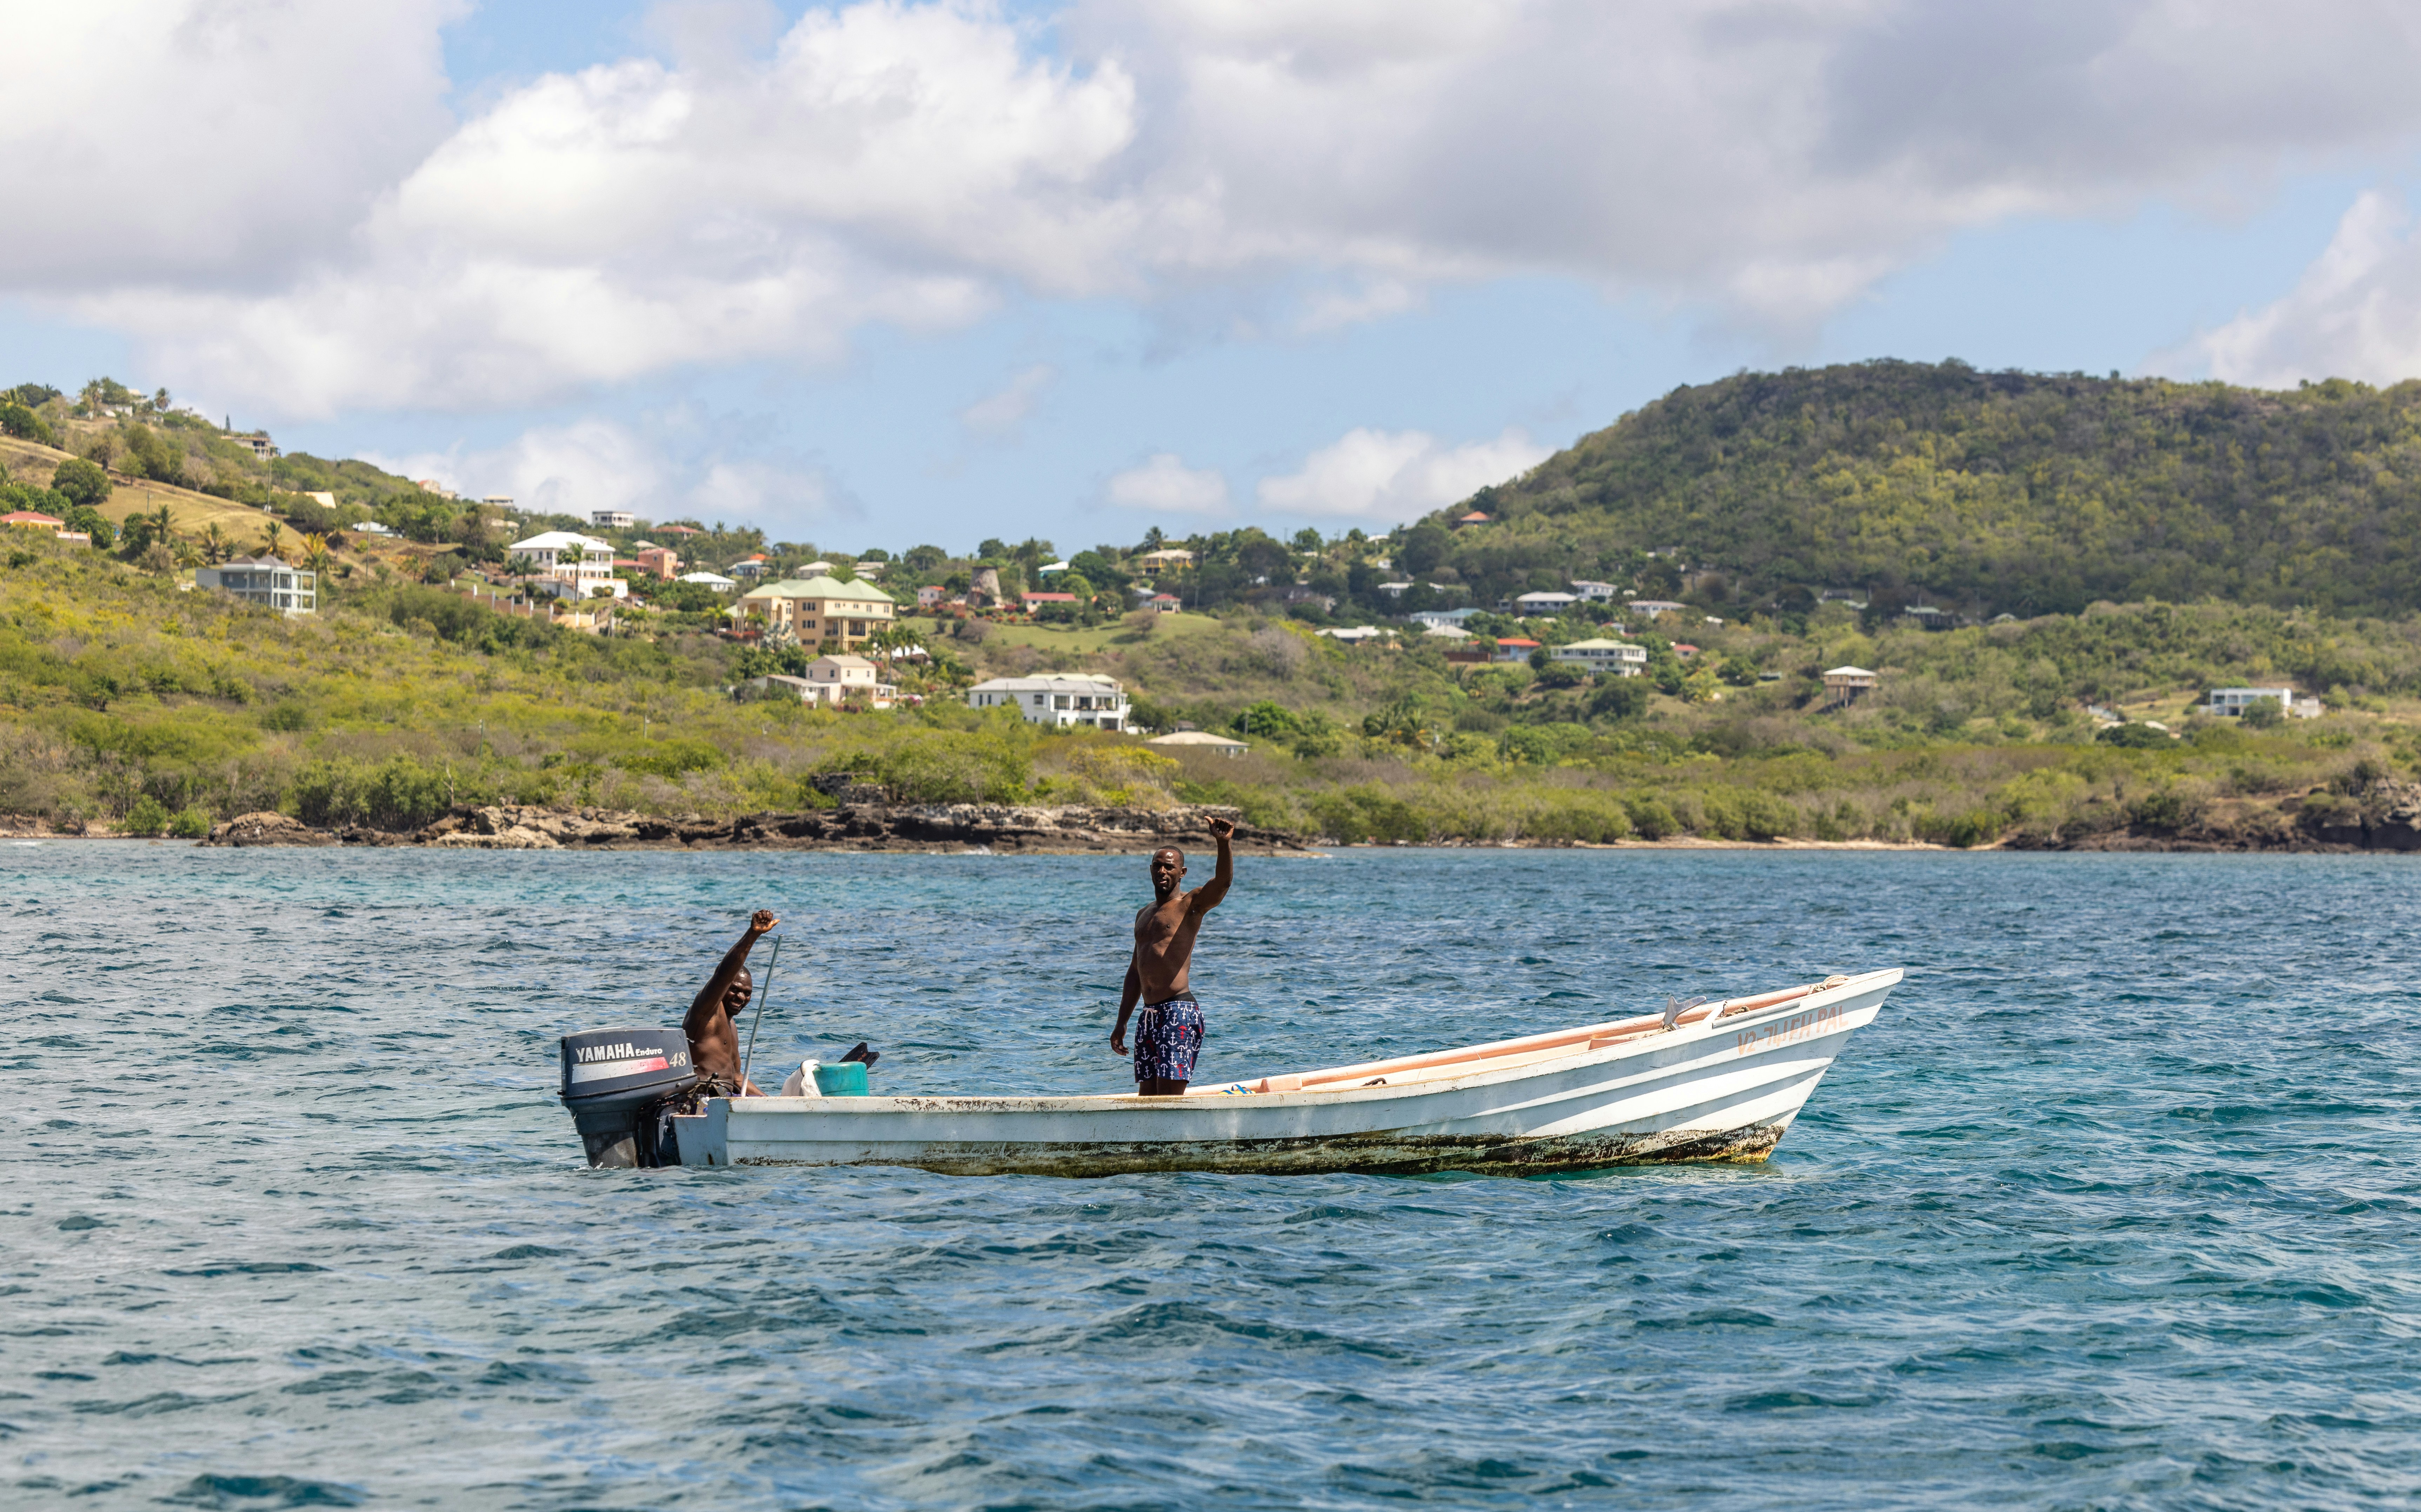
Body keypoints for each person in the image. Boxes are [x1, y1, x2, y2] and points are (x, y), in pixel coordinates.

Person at [1112, 816, 1236, 1095]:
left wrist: (1222, 844)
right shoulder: (1143, 914)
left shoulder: (1190, 905)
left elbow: (1223, 884)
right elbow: (1135, 971)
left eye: (1170, 866)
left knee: (1168, 1100)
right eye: (1157, 866)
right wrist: (1121, 1022)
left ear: (1182, 873)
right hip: (1148, 1015)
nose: (1163, 871)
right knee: (1147, 1099)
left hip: (1177, 1012)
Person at [684, 908, 779, 1095]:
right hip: (702, 1099)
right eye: (735, 989)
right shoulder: (707, 1011)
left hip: (729, 1098)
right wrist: (752, 936)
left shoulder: (731, 1025)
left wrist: (771, 1102)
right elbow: (723, 973)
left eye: (747, 993)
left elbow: (736, 1077)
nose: (741, 997)